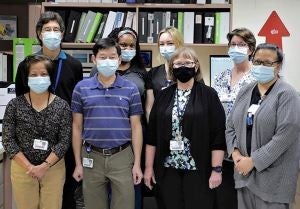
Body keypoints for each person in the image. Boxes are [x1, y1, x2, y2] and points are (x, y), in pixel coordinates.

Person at [14, 11, 83, 209]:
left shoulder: (74, 65)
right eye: (47, 29)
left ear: (62, 34)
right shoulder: (26, 65)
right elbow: (21, 103)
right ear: (39, 33)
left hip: (64, 140)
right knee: (31, 196)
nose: (52, 33)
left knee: (65, 195)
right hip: (31, 141)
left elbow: (77, 103)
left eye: (56, 29)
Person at [144, 47, 226, 209]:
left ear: (196, 67)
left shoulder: (209, 95)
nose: (183, 67)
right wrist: (148, 168)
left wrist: (217, 169)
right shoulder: (163, 95)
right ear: (172, 67)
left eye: (188, 63)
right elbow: (152, 136)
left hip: (198, 169)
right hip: (168, 169)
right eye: (178, 63)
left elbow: (218, 136)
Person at [71, 38, 143, 209]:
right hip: (91, 156)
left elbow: (136, 127)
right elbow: (76, 127)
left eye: (112, 57)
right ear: (94, 60)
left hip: (122, 156)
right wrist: (78, 163)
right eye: (103, 57)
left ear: (119, 60)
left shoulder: (131, 89)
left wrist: (138, 164)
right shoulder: (81, 88)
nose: (108, 61)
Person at [226, 43, 300, 209]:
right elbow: (230, 126)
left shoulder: (287, 94)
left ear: (278, 66)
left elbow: (285, 135)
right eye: (257, 61)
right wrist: (236, 153)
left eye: (267, 63)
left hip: (273, 182)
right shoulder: (245, 91)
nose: (261, 66)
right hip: (243, 176)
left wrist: (253, 161)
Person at [2, 54, 72, 209]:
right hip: (22, 168)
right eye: (33, 75)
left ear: (50, 77)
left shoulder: (62, 106)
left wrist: (44, 166)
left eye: (43, 74)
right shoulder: (14, 105)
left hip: (53, 168)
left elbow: (64, 140)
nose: (38, 78)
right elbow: (8, 139)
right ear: (26, 78)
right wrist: (29, 167)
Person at [90, 26, 146, 209]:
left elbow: (147, 111)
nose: (128, 49)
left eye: (132, 46)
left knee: (128, 196)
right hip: (99, 145)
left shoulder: (142, 74)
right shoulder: (95, 74)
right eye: (123, 45)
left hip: (130, 144)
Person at [212, 27, 256, 209]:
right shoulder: (220, 77)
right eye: (233, 45)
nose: (236, 48)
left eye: (242, 44)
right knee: (224, 200)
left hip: (247, 151)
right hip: (222, 149)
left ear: (251, 49)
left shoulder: (257, 78)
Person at [145, 26, 184, 122]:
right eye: (161, 44)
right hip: (160, 127)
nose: (165, 47)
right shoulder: (153, 73)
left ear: (179, 44)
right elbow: (149, 108)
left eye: (170, 43)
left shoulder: (189, 70)